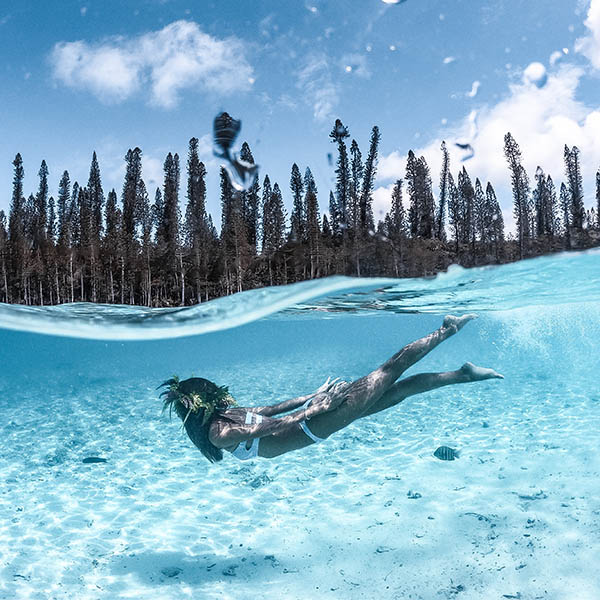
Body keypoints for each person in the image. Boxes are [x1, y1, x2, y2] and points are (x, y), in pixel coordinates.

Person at [159, 315, 503, 462]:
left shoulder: (227, 417)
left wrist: (311, 395)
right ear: (203, 401)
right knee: (392, 380)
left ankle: (455, 353)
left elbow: (271, 410)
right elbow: (273, 426)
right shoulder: (219, 434)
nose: (224, 396)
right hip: (312, 425)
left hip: (315, 420)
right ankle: (454, 352)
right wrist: (317, 408)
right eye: (215, 393)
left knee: (393, 383)